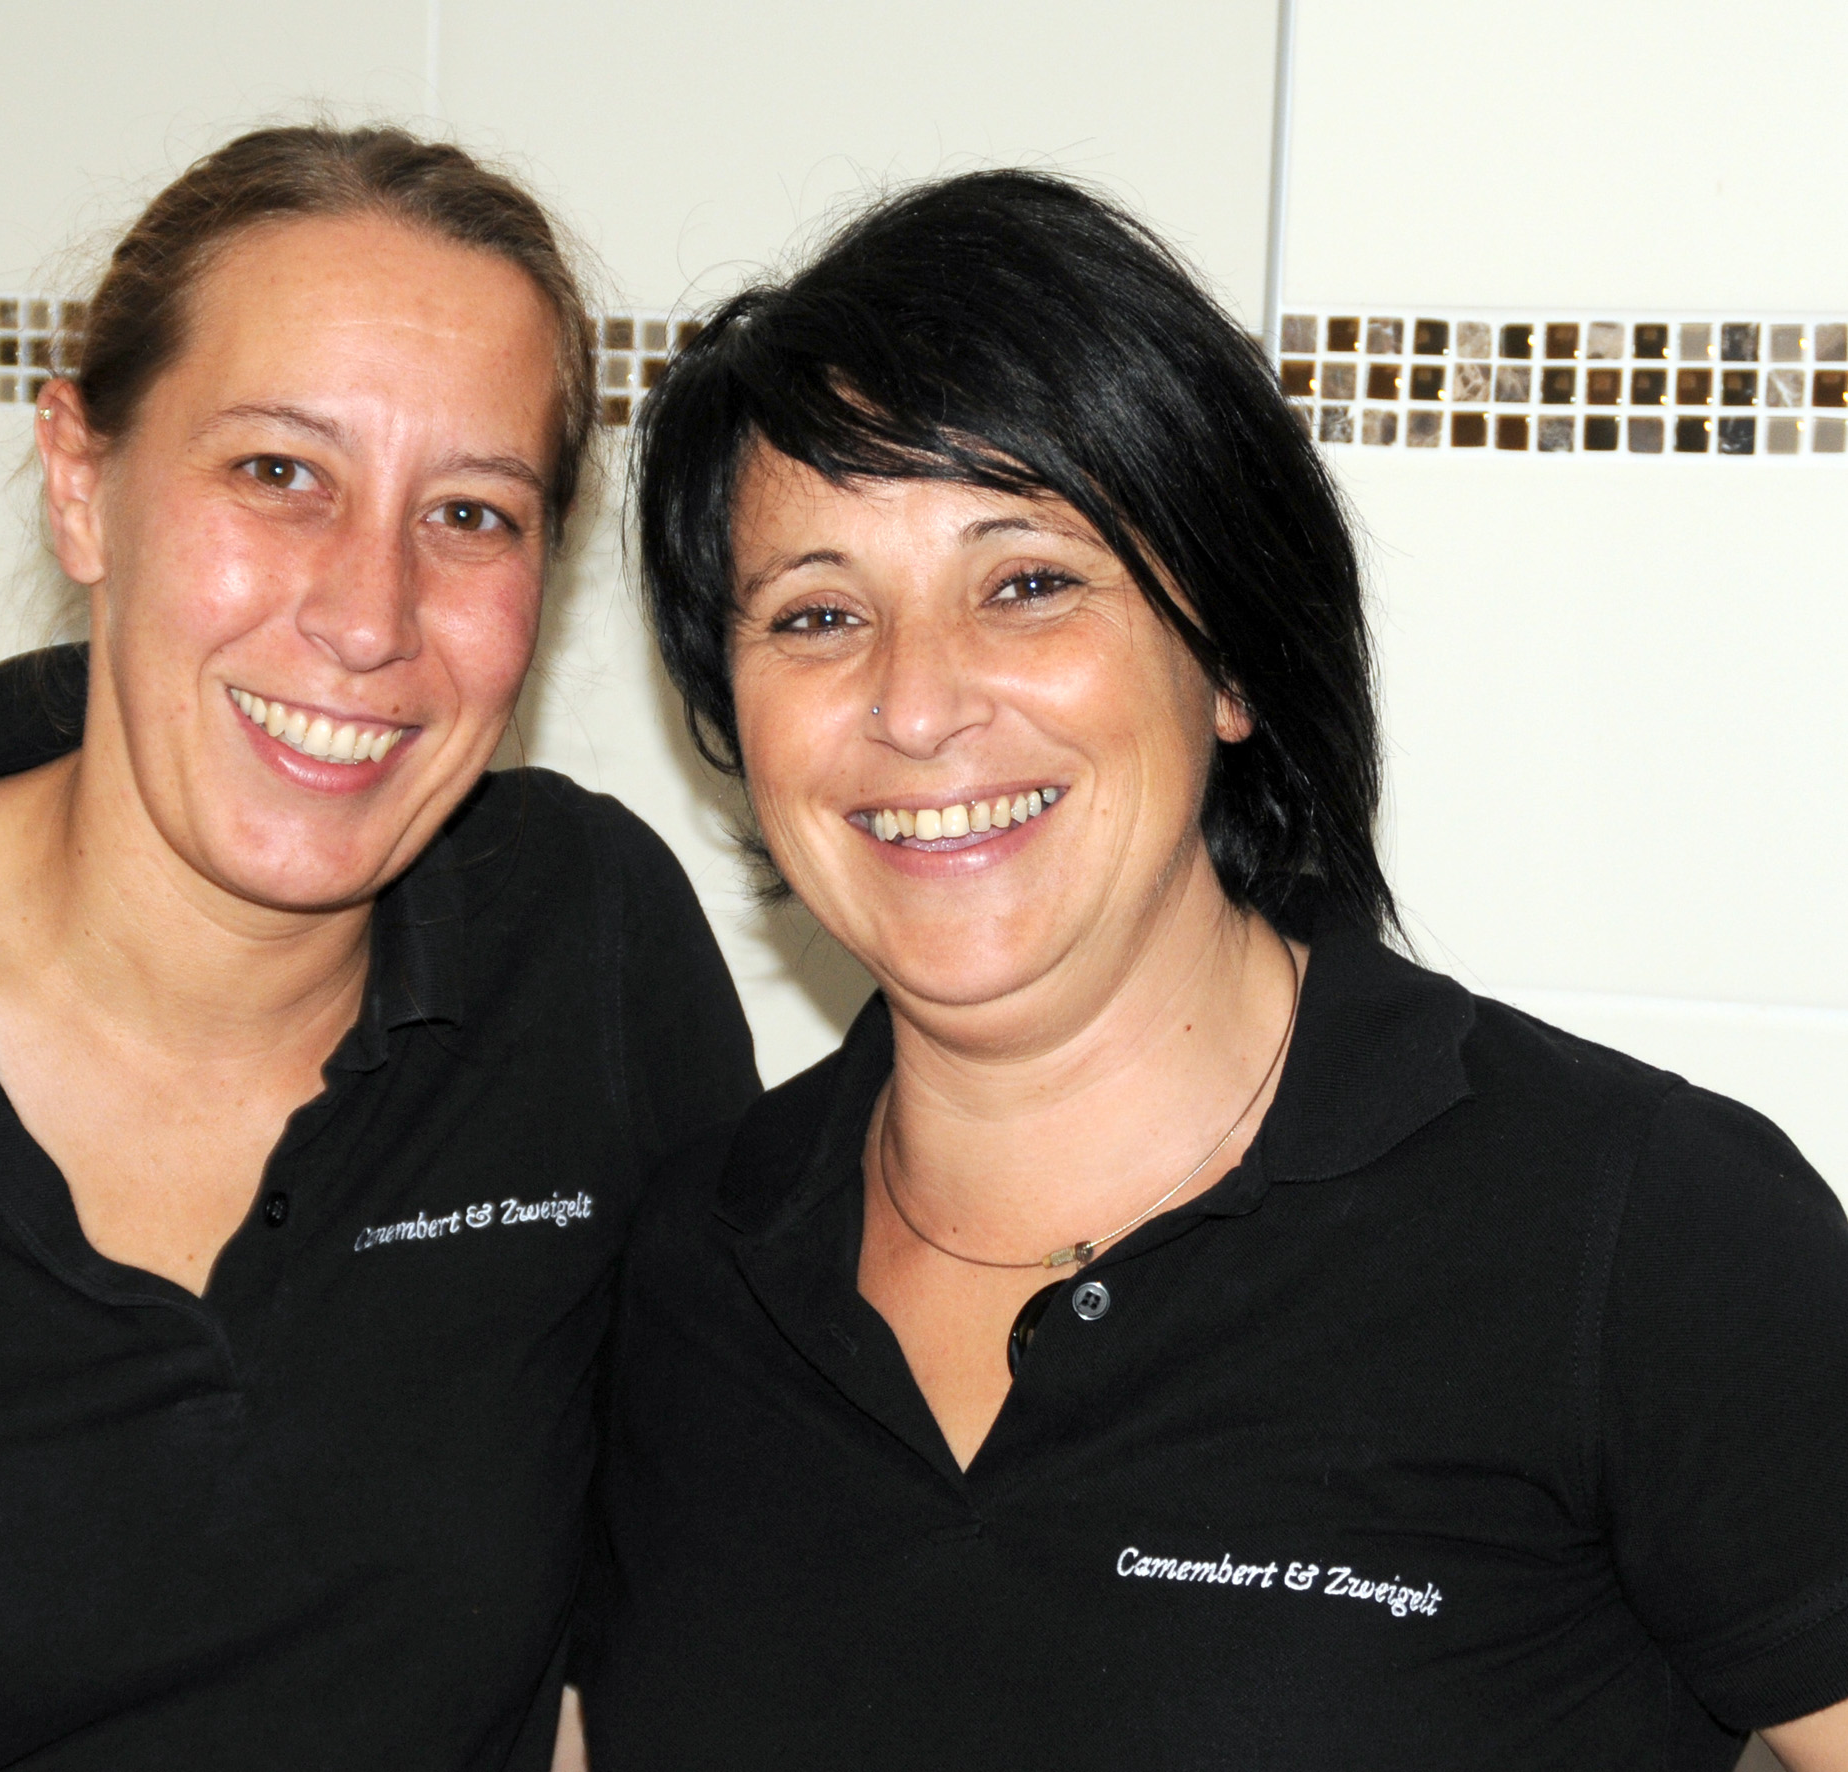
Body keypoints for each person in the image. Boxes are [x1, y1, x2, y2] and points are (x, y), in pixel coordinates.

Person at [573, 169, 1848, 1770]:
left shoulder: (1641, 1232)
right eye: (818, 615)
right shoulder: (686, 1277)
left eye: (1027, 583)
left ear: (1231, 658)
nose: (916, 704)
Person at [0, 124, 757, 1769]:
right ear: (80, 484)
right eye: (278, 473)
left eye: (471, 512)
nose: (369, 615)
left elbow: (700, 1608)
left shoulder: (584, 953)